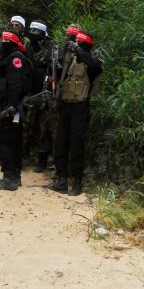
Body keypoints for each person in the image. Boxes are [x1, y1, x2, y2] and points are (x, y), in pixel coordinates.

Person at [48, 30, 102, 196]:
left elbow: (95, 66)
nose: (74, 44)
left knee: (76, 146)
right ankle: (62, 180)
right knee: (61, 144)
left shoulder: (92, 62)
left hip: (80, 108)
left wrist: (79, 51)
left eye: (78, 43)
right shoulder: (68, 59)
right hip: (64, 106)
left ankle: (77, 182)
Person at [0, 29, 33, 191]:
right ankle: (13, 176)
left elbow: (15, 84)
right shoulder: (13, 57)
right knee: (12, 141)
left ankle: (10, 178)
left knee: (7, 141)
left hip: (12, 106)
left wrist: (11, 106)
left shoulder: (15, 58)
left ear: (9, 43)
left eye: (4, 42)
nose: (1, 45)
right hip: (12, 105)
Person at [25, 19, 56, 173]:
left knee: (44, 127)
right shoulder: (27, 47)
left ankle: (42, 160)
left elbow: (54, 71)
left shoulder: (51, 49)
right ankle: (23, 155)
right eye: (31, 32)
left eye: (36, 33)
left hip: (44, 93)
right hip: (29, 91)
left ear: (43, 34)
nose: (33, 35)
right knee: (26, 123)